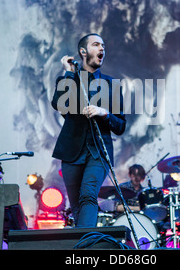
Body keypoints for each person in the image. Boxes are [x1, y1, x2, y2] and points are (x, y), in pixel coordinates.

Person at [51, 33, 126, 227]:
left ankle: (85, 249)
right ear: (83, 52)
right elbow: (59, 104)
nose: (102, 49)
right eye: (96, 45)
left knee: (88, 194)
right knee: (76, 205)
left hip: (98, 152)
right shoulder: (71, 79)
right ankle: (84, 243)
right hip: (71, 153)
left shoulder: (111, 84)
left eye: (103, 45)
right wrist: (68, 72)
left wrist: (105, 113)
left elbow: (121, 126)